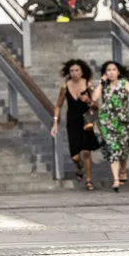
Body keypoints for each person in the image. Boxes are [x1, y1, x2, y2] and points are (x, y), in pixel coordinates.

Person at [51, 59, 100, 191]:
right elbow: (58, 105)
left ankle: (89, 180)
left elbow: (96, 105)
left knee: (86, 152)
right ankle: (79, 167)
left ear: (82, 71)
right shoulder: (65, 86)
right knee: (75, 156)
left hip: (86, 121)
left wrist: (89, 100)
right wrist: (55, 122)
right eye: (72, 71)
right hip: (72, 121)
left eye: (77, 70)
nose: (74, 73)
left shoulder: (88, 85)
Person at [91, 61, 129, 192]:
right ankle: (116, 179)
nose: (111, 72)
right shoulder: (104, 86)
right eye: (108, 70)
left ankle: (123, 169)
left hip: (123, 121)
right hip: (107, 121)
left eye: (113, 69)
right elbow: (94, 98)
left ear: (118, 72)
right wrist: (101, 82)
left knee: (123, 148)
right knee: (113, 148)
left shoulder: (124, 83)